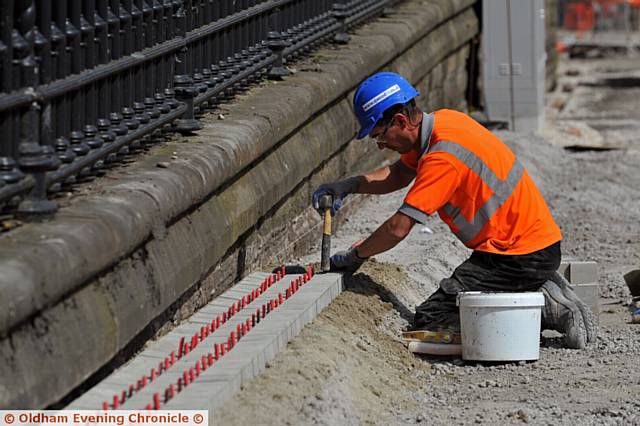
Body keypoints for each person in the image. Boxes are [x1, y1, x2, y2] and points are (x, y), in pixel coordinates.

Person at [312, 72, 597, 349]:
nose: (380, 145)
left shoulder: (443, 158)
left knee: (433, 319)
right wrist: (348, 185)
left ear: (400, 121)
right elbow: (398, 174)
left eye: (379, 136)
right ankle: (531, 288)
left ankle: (548, 305)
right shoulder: (443, 122)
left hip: (517, 256)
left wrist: (356, 255)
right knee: (449, 310)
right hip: (522, 247)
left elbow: (398, 228)